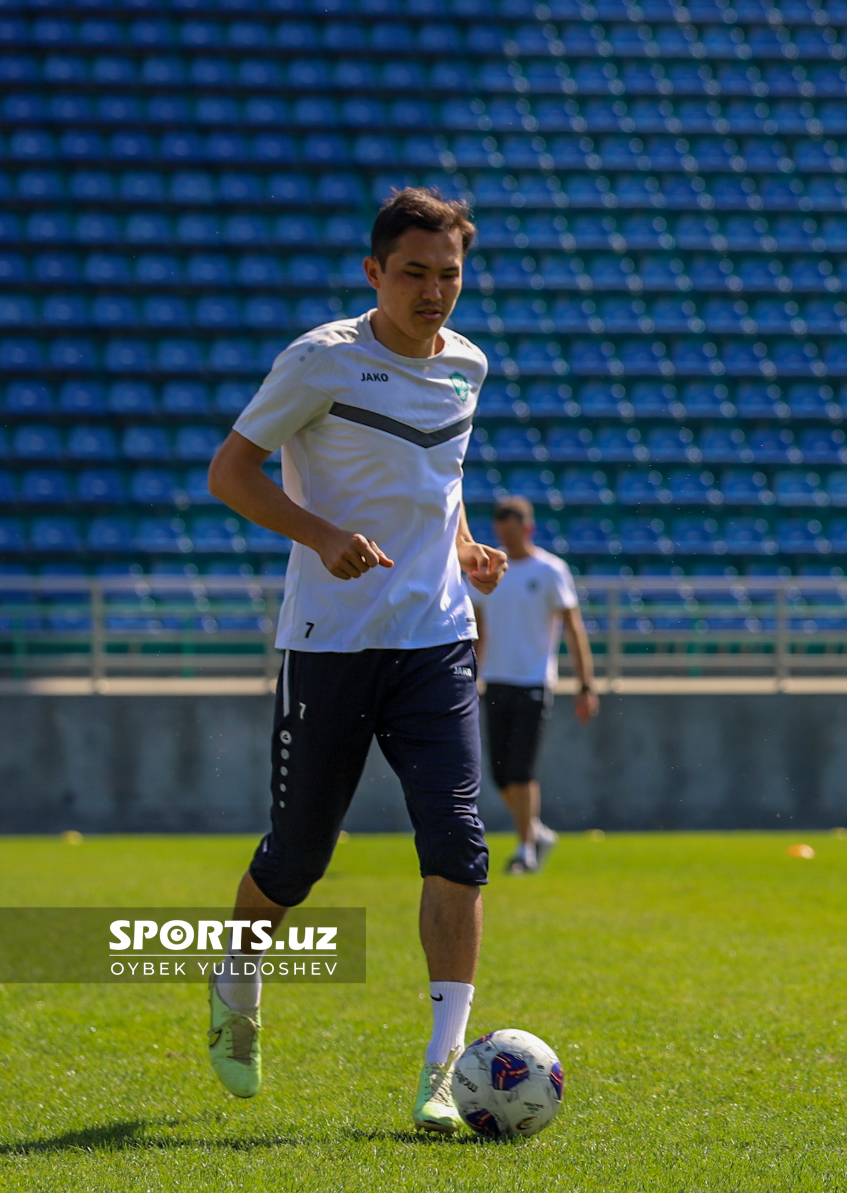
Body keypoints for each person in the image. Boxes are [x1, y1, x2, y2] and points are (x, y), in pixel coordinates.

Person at [202, 187, 507, 1134]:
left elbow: (439, 477)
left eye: (447, 275)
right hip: (329, 645)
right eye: (412, 273)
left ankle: (442, 1069)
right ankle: (236, 978)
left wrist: (461, 547)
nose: (432, 292)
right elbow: (230, 473)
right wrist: (322, 534)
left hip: (436, 642)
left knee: (457, 841)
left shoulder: (468, 365)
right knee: (297, 860)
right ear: (374, 272)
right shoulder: (320, 360)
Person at [473, 495, 599, 875]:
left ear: (527, 528)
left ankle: (525, 848)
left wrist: (585, 684)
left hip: (533, 680)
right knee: (499, 774)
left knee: (521, 769)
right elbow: (479, 630)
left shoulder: (550, 570)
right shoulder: (491, 570)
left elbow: (573, 628)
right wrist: (470, 675)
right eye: (500, 534)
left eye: (510, 533)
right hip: (495, 680)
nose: (504, 542)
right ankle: (537, 831)